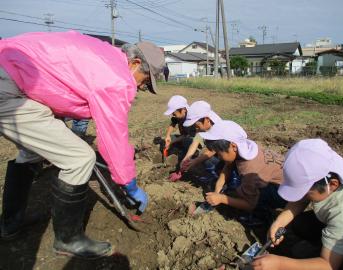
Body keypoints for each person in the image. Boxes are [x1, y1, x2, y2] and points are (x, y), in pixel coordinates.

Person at [0, 31, 165, 259]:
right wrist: (129, 184)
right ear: (135, 63)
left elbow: (56, 80)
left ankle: (10, 224)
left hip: (15, 77)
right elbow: (114, 137)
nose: (140, 87)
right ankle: (68, 239)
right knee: (80, 158)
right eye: (145, 81)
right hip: (8, 87)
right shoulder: (116, 78)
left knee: (30, 152)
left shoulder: (104, 54)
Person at [252, 138, 343, 270]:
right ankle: (327, 244)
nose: (302, 196)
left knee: (304, 253)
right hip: (333, 222)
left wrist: (280, 264)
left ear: (332, 184)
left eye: (305, 192)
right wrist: (279, 223)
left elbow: (329, 265)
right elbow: (301, 200)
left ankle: (339, 254)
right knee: (299, 224)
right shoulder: (324, 180)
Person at [199, 120, 287, 223]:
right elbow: (228, 166)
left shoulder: (249, 170)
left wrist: (221, 198)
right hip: (282, 179)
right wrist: (218, 189)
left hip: (284, 195)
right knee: (237, 182)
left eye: (219, 153)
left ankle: (263, 215)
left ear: (233, 146)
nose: (218, 157)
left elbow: (249, 205)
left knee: (249, 198)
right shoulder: (247, 147)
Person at [180, 101, 223, 184]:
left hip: (227, 161)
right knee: (200, 154)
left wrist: (194, 161)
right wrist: (186, 158)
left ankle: (216, 176)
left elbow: (211, 151)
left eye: (197, 126)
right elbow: (195, 141)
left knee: (206, 157)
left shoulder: (218, 128)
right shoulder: (205, 126)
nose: (196, 129)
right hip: (219, 155)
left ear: (207, 119)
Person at [163, 95, 196, 180]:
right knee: (173, 137)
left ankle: (193, 154)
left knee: (186, 141)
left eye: (174, 113)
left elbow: (186, 136)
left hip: (196, 140)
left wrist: (173, 141)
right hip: (185, 135)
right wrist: (168, 136)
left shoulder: (191, 119)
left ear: (183, 110)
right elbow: (173, 123)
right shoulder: (179, 115)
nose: (173, 115)